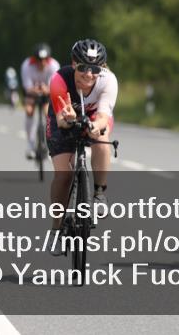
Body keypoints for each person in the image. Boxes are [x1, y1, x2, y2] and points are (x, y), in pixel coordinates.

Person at [46, 38, 118, 255]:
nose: (89, 74)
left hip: (95, 117)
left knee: (102, 141)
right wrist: (68, 118)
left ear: (102, 68)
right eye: (84, 67)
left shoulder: (108, 81)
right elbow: (60, 120)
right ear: (74, 63)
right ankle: (56, 229)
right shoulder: (59, 79)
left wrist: (95, 127)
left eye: (95, 68)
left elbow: (104, 116)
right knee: (63, 175)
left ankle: (99, 193)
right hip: (64, 116)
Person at [20, 43, 61, 160]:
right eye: (38, 60)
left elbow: (55, 87)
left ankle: (49, 144)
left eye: (44, 60)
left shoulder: (54, 65)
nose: (41, 63)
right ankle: (30, 144)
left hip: (48, 93)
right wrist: (36, 89)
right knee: (29, 110)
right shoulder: (26, 65)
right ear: (34, 59)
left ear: (48, 59)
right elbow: (27, 87)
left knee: (48, 113)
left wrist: (46, 89)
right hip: (31, 93)